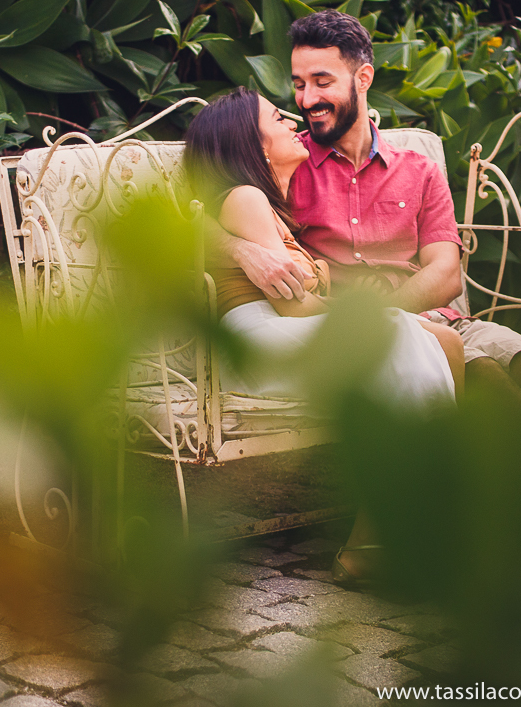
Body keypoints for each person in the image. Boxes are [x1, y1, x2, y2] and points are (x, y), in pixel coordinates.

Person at [214, 9, 521, 429]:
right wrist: (240, 250)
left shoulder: (419, 169)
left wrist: (390, 318)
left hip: (433, 318)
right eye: (299, 85)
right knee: (484, 376)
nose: (306, 100)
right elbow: (202, 213)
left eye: (322, 82)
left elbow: (447, 274)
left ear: (363, 79)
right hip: (355, 334)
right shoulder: (287, 162)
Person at [186, 87, 466, 584]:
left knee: (445, 343)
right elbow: (291, 303)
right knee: (395, 335)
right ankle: (380, 543)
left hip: (278, 332)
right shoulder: (247, 199)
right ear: (254, 144)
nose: (294, 121)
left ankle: (415, 522)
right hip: (257, 340)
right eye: (278, 119)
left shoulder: (265, 207)